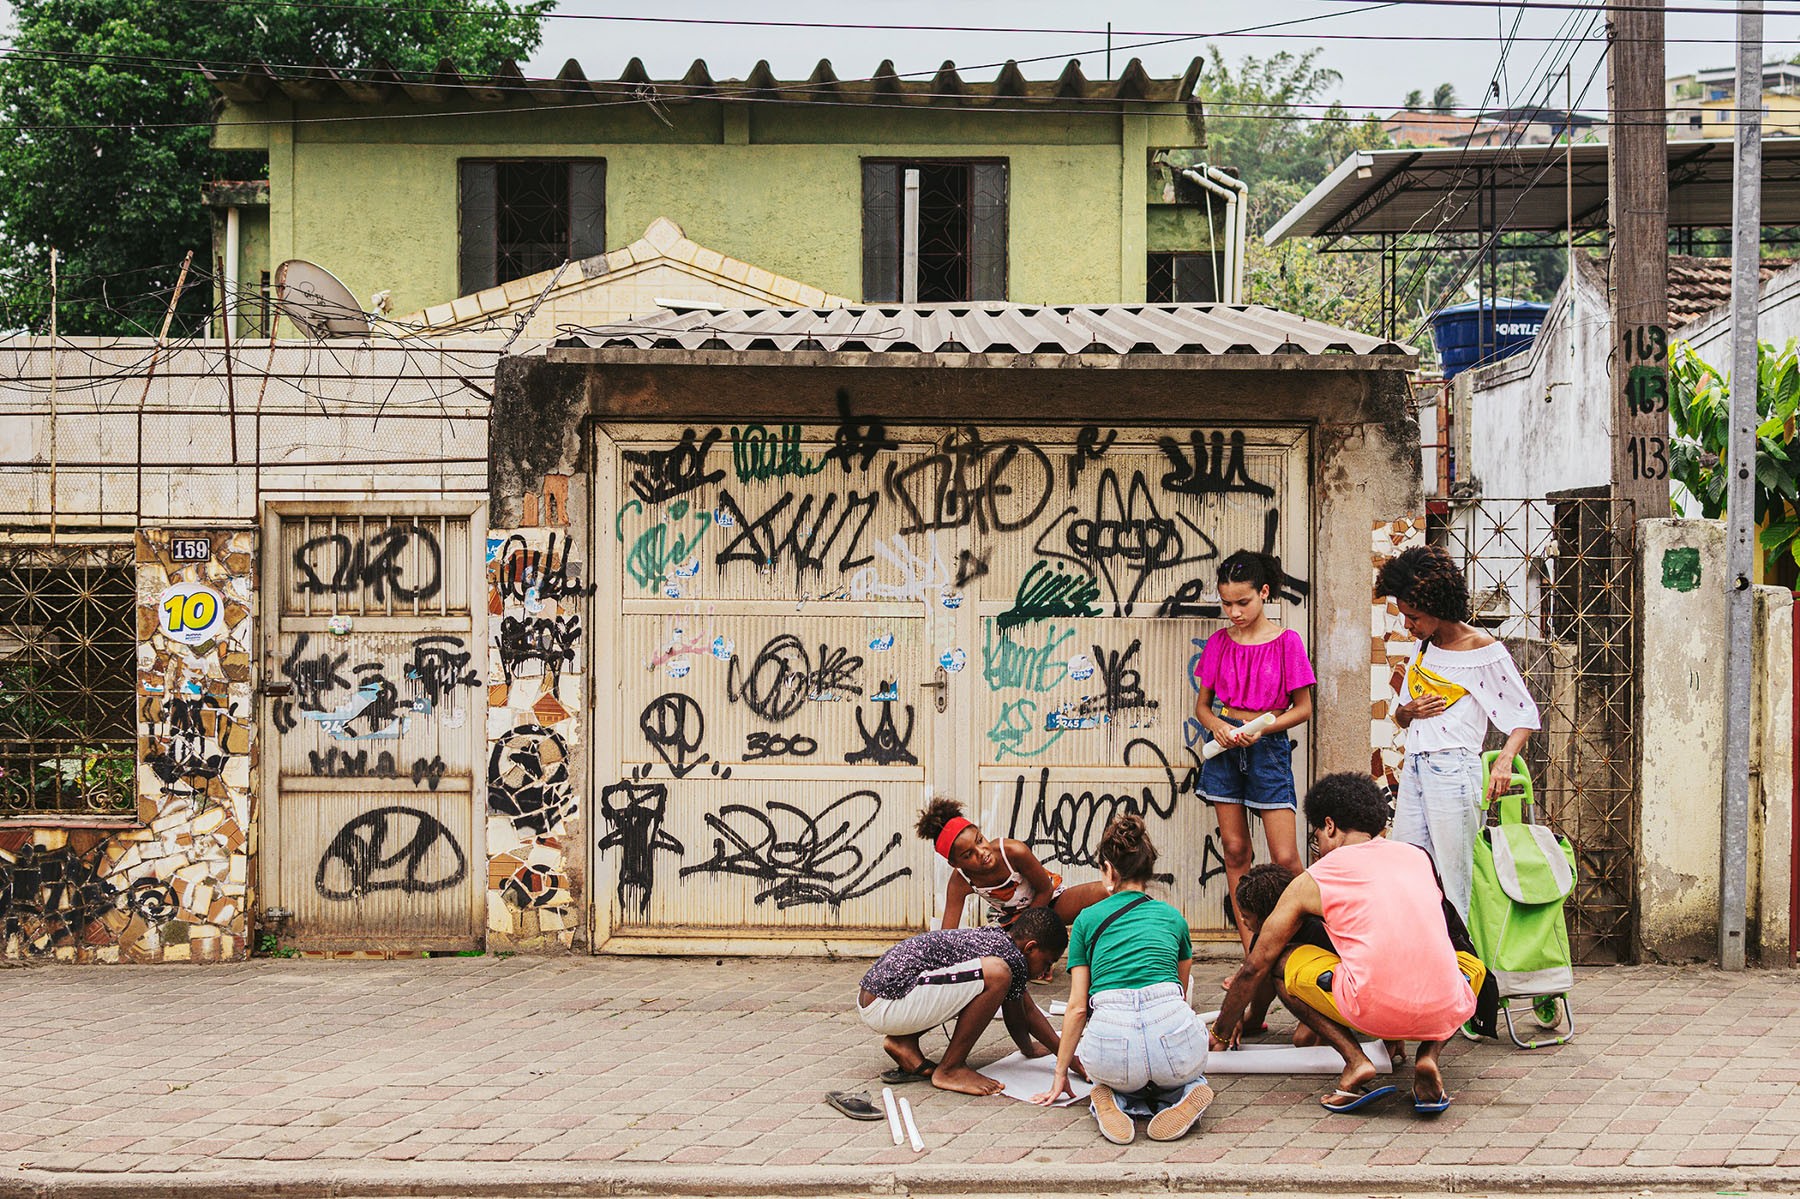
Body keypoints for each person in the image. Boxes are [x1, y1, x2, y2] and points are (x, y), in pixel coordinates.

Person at [1212, 773, 1486, 1116]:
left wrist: (1221, 1033)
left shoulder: (1319, 875)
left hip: (1370, 1008)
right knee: (1470, 967)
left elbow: (1256, 964)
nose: (1318, 848)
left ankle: (1356, 1061)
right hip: (1443, 1006)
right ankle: (1429, 1057)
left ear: (1329, 826)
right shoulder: (1417, 857)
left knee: (1281, 962)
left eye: (1316, 838)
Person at [1377, 544, 1541, 919]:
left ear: (1437, 607)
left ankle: (1461, 971)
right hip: (1416, 768)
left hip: (1454, 772)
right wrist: (1409, 711)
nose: (1408, 625)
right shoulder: (1423, 648)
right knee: (1407, 871)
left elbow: (1525, 715)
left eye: (1413, 616)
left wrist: (1503, 762)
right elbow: (1401, 718)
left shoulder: (1483, 650)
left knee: (1453, 882)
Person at [1031, 816, 1213, 1144]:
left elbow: (1076, 1009)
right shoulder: (1174, 918)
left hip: (1113, 1044)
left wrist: (1059, 1075)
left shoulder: (1087, 920)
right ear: (1149, 871)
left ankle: (1112, 1099)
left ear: (1108, 870)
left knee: (1112, 1080)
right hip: (1171, 1036)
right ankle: (1189, 1093)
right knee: (1189, 1072)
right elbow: (1181, 993)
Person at [1191, 550, 1314, 988]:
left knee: (1286, 860)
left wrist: (1263, 729)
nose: (1234, 612)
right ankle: (1252, 963)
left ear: (1265, 593)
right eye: (1227, 604)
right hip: (1224, 753)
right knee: (1237, 853)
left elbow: (1303, 708)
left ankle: (1304, 954)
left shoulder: (1287, 643)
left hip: (1267, 749)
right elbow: (1203, 707)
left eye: (1242, 602)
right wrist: (1219, 727)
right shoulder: (1220, 643)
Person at [856, 907, 1069, 1096]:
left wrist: (1036, 1051)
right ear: (1030, 948)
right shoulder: (1011, 959)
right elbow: (1017, 1019)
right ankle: (950, 1069)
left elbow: (1026, 1010)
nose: (1045, 971)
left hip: (877, 1000)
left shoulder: (999, 940)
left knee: (980, 978)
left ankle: (904, 1043)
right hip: (888, 1004)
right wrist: (1066, 1059)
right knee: (997, 975)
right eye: (1047, 962)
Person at [916, 797, 1109, 929]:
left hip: (1048, 904)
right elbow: (947, 932)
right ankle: (1039, 959)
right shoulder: (960, 882)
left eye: (979, 840)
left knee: (1106, 890)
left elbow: (1045, 890)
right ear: (955, 863)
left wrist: (1030, 931)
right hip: (1009, 923)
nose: (982, 852)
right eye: (968, 855)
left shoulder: (1013, 852)